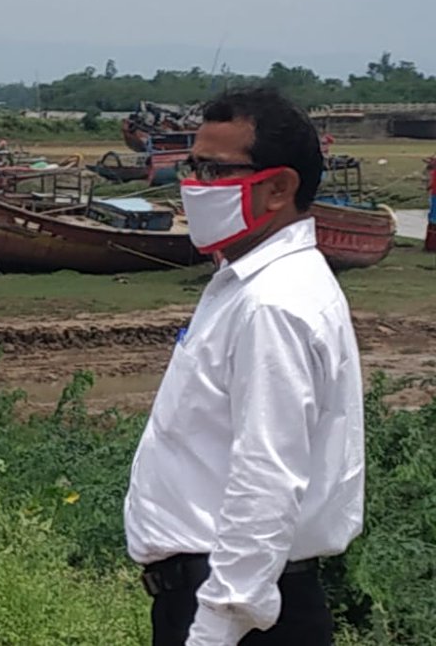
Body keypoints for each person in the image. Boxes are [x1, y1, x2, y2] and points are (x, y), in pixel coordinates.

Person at [125, 86, 364, 646]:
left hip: (239, 616)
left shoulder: (272, 303)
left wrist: (216, 627)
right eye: (191, 165)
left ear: (279, 187)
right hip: (224, 601)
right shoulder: (246, 283)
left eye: (213, 170)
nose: (194, 186)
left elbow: (267, 475)